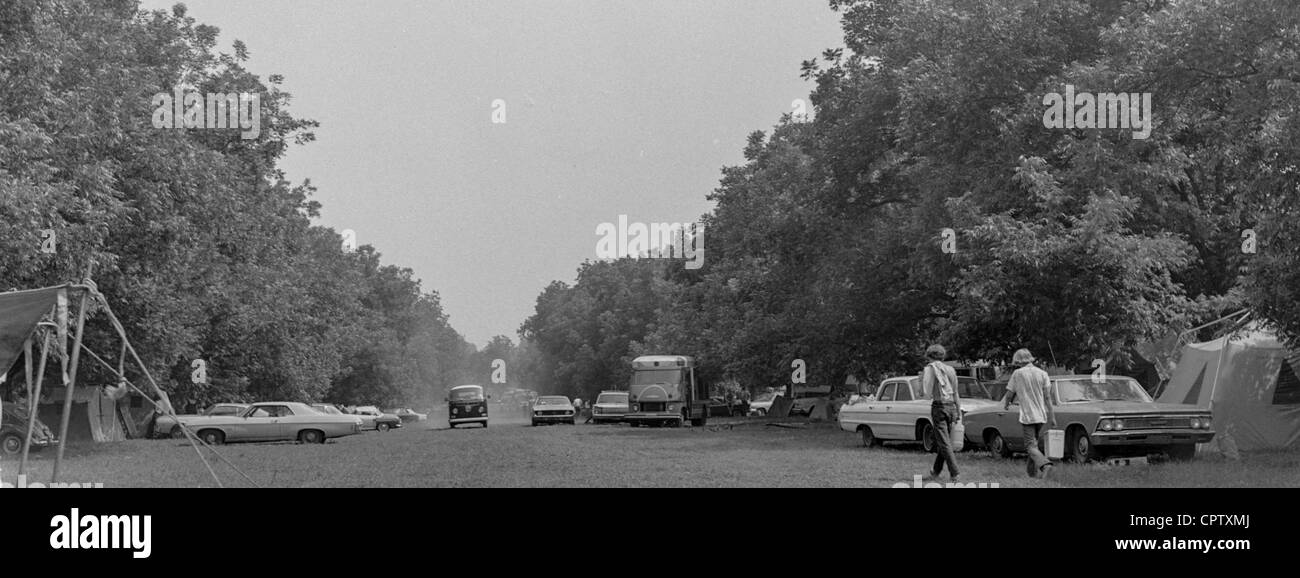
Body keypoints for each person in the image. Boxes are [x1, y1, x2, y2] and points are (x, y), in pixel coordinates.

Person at [1001, 349, 1057, 479]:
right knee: (1034, 444)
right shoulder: (1043, 373)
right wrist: (1052, 417)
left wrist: (1006, 404)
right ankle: (1032, 474)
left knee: (1030, 446)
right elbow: (1048, 397)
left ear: (1018, 360)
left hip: (1028, 416)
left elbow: (1009, 393)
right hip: (1041, 415)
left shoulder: (1018, 373)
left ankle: (1045, 465)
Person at [922, 344, 961, 481]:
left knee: (944, 443)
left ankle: (955, 473)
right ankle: (935, 471)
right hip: (951, 406)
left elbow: (926, 392)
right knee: (944, 441)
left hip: (939, 406)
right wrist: (958, 409)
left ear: (929, 356)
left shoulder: (930, 369)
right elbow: (955, 392)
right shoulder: (950, 369)